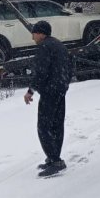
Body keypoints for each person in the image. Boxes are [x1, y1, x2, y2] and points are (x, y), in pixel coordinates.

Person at [24, 20, 72, 177]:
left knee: (44, 126)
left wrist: (31, 90)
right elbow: (70, 66)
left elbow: (41, 72)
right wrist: (64, 85)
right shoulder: (59, 45)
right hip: (60, 90)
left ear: (40, 33)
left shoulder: (45, 47)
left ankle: (55, 160)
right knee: (56, 125)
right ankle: (54, 159)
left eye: (34, 33)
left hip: (50, 91)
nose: (32, 37)